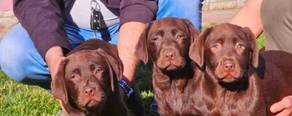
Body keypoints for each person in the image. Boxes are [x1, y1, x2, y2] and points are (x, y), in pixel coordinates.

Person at [0, 0, 202, 91]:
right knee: (13, 52)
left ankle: (175, 97)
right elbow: (34, 4)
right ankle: (75, 94)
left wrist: (123, 82)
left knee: (183, 1)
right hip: (69, 31)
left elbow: (137, 5)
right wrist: (56, 63)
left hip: (130, 24)